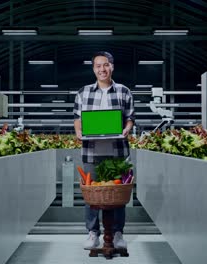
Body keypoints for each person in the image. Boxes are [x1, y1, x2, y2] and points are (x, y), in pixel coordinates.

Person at [73, 51, 135, 250]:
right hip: (91, 151)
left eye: (106, 65)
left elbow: (130, 117)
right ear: (93, 69)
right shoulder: (83, 92)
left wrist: (126, 129)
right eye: (98, 66)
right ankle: (93, 233)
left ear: (112, 67)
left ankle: (118, 233)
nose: (102, 69)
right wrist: (79, 132)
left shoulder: (124, 91)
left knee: (118, 194)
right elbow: (77, 119)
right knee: (91, 194)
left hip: (117, 151)